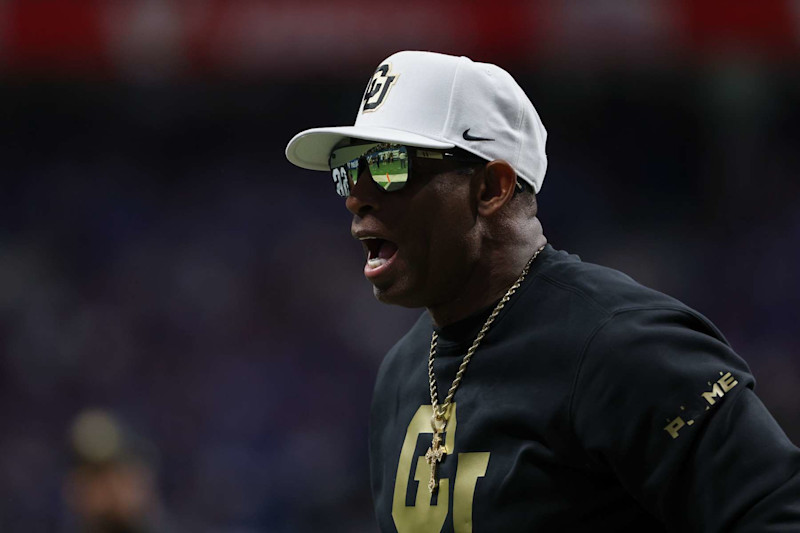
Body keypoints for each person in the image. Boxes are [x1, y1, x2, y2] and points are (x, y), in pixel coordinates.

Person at [285, 51, 800, 532]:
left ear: (491, 188)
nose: (356, 197)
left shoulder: (623, 346)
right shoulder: (401, 372)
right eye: (348, 169)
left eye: (389, 165)